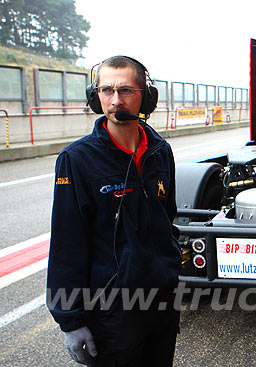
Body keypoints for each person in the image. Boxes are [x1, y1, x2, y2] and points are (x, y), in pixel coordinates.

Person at [47, 56, 182, 366]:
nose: (115, 99)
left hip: (161, 302)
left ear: (146, 97)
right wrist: (70, 321)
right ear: (95, 96)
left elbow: (167, 220)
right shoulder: (77, 160)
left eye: (126, 90)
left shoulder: (161, 151)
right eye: (106, 90)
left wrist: (171, 270)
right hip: (112, 313)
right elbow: (67, 244)